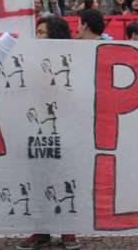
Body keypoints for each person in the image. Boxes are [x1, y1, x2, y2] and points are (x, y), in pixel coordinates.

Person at [18, 16, 79, 250]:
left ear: (54, 34)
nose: (38, 36)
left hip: (65, 129)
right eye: (37, 31)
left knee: (65, 178)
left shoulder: (70, 59)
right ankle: (41, 231)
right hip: (37, 130)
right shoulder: (31, 59)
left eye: (42, 32)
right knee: (39, 179)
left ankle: (68, 231)